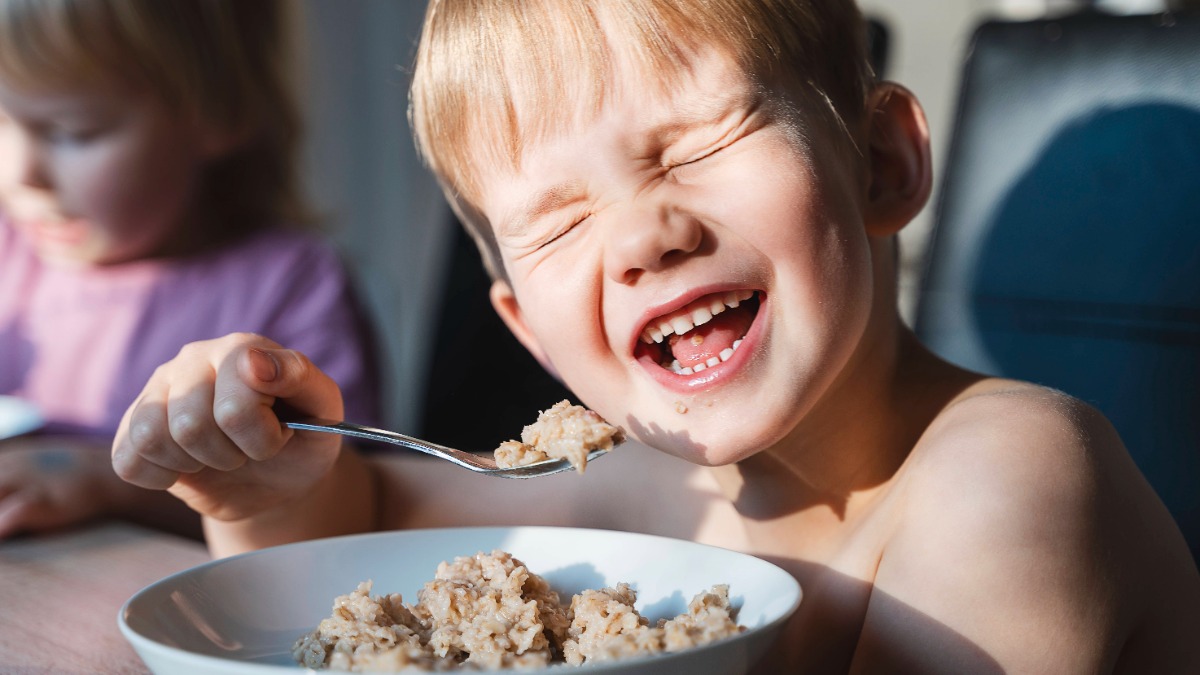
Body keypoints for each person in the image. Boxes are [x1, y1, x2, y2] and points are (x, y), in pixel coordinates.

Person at [110, 0, 1200, 671]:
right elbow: (367, 530)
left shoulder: (1011, 479)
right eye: (561, 219)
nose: (641, 237)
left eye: (694, 146)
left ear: (881, 164)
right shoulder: (639, 489)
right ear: (529, 332)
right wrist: (261, 491)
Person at [0, 0, 380, 540]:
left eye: (71, 131)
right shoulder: (9, 255)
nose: (19, 175)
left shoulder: (288, 285)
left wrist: (103, 479)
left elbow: (340, 496)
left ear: (218, 112)